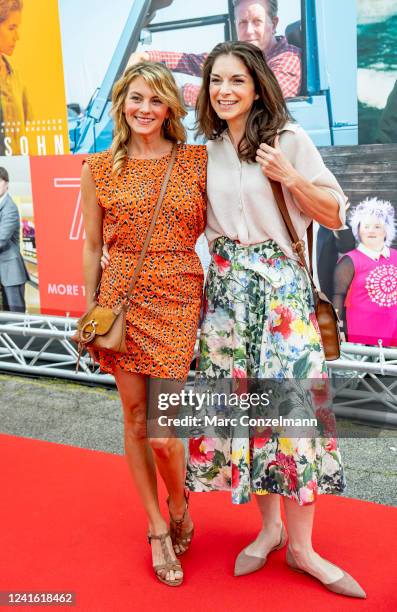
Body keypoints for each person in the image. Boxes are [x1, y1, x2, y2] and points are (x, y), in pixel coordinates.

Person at [187, 41, 366, 598]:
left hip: (282, 296)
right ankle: (267, 532)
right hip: (226, 297)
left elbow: (336, 212)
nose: (225, 91)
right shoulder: (204, 147)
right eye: (216, 81)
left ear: (258, 84)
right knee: (250, 413)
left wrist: (290, 176)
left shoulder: (288, 139)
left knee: (294, 417)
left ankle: (304, 549)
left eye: (236, 80)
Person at [80, 62, 207, 586]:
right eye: (136, 98)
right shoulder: (99, 167)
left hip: (177, 297)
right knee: (134, 419)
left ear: (171, 108)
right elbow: (91, 244)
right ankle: (157, 527)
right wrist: (90, 310)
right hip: (122, 301)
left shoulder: (197, 161)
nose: (145, 109)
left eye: (156, 100)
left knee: (163, 433)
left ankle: (178, 504)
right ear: (122, 103)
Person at [127, 0, 302, 106]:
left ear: (274, 23)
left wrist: (179, 92)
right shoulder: (243, 56)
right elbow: (194, 62)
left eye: (257, 22)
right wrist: (147, 57)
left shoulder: (288, 58)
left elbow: (257, 98)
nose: (248, 31)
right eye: (242, 22)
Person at [333, 197, 397, 346]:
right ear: (358, 230)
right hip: (360, 337)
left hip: (393, 335)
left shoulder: (395, 256)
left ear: (386, 231)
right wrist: (338, 328)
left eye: (377, 226)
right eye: (366, 226)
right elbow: (338, 295)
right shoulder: (349, 261)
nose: (371, 231)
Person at [0, 0, 32, 156]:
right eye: (11, 28)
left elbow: (31, 129)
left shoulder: (17, 77)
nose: (17, 36)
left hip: (20, 170)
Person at [0, 166, 29, 312]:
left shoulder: (9, 208)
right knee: (6, 318)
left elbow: (1, 238)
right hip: (3, 271)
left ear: (6, 183)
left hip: (11, 272)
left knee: (16, 316)